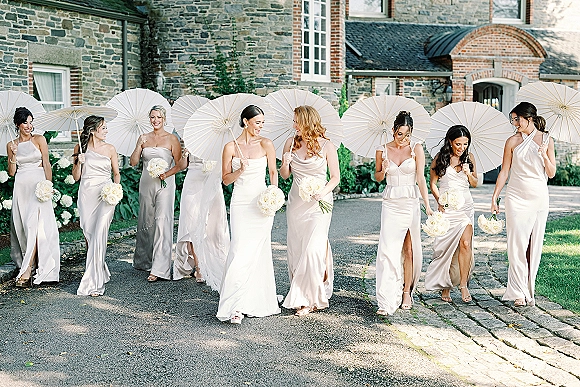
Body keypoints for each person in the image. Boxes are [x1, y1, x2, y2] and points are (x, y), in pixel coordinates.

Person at [216, 105, 280, 324]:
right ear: (245, 121)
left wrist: (273, 196)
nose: (260, 127)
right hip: (241, 203)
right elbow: (225, 179)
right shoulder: (230, 147)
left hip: (262, 204)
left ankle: (255, 301)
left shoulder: (266, 144)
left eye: (262, 123)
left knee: (258, 252)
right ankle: (234, 306)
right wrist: (240, 170)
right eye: (257, 123)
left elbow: (273, 173)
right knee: (240, 250)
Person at [491, 102, 556, 307]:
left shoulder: (547, 139)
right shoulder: (511, 141)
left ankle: (528, 288)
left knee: (533, 246)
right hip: (516, 197)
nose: (515, 123)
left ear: (529, 118)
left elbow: (552, 173)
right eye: (513, 119)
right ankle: (518, 291)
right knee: (516, 245)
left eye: (517, 119)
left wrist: (544, 155)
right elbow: (504, 171)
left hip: (538, 198)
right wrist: (495, 196)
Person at [279, 105, 340, 316]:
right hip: (297, 203)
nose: (293, 124)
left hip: (320, 204)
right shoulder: (290, 143)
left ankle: (309, 298)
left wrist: (322, 192)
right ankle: (304, 291)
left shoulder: (327, 146)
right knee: (298, 248)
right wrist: (285, 163)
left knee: (313, 249)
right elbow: (285, 176)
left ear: (306, 122)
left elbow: (335, 178)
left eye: (296, 121)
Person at [373, 111, 433, 315]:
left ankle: (407, 291)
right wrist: (384, 168)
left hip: (410, 202)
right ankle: (386, 299)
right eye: (400, 134)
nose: (403, 139)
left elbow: (421, 179)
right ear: (393, 131)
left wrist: (428, 205)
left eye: (407, 135)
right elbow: (378, 178)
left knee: (409, 249)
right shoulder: (382, 150)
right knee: (387, 250)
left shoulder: (416, 149)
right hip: (390, 203)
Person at [8, 106, 60, 287]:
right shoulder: (11, 145)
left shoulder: (39, 139)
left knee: (37, 227)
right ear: (18, 124)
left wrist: (48, 185)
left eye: (31, 122)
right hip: (21, 187)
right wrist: (13, 155)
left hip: (38, 187)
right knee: (25, 227)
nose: (29, 126)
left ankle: (28, 269)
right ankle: (31, 264)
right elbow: (12, 171)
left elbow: (46, 163)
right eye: (25, 122)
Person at [425, 125, 478, 303]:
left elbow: (475, 183)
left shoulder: (469, 158)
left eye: (465, 144)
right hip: (446, 208)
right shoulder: (440, 159)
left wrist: (468, 173)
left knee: (464, 244)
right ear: (450, 141)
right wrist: (440, 200)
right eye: (458, 144)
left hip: (465, 208)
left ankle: (463, 285)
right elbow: (432, 184)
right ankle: (445, 285)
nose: (462, 147)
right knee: (447, 248)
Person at [130, 105, 181, 282]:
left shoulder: (172, 139)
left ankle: (160, 268)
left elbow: (180, 164)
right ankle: (144, 260)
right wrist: (138, 145)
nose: (155, 120)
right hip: (146, 183)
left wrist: (166, 173)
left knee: (162, 221)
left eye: (159, 117)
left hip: (165, 183)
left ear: (164, 119)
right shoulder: (144, 138)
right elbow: (133, 162)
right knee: (146, 220)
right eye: (152, 117)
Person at [71, 116, 120, 297]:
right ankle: (98, 270)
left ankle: (95, 283)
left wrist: (116, 191)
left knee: (100, 234)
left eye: (106, 128)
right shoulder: (80, 148)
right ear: (92, 130)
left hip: (106, 194)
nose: (106, 131)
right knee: (90, 236)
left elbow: (116, 173)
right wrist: (79, 162)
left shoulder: (110, 149)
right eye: (103, 128)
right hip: (87, 194)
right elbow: (76, 177)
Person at [173, 148, 229, 292]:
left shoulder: (216, 139)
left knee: (213, 226)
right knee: (191, 224)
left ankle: (216, 260)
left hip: (211, 182)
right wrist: (185, 153)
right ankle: (199, 267)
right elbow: (182, 166)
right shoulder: (190, 138)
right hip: (192, 182)